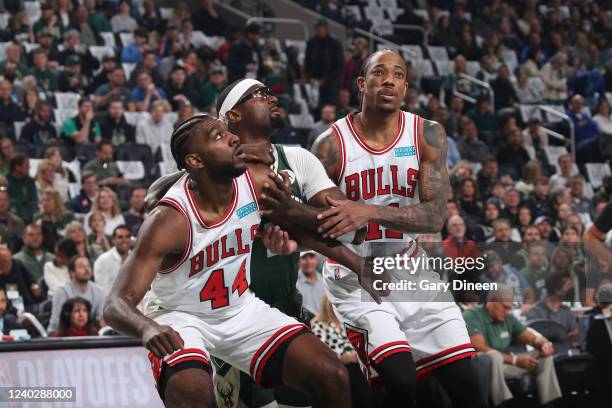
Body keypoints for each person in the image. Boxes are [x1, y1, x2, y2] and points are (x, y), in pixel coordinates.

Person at [104, 114, 355, 408]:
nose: (234, 138)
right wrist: (146, 328)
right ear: (196, 161)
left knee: (332, 375)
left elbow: (300, 230)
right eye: (219, 136)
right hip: (181, 316)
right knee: (194, 395)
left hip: (240, 308)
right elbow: (114, 305)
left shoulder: (257, 180)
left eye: (229, 132)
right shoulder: (170, 219)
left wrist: (356, 264)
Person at [311, 50, 482, 407]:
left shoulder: (427, 134)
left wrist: (368, 211)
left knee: (467, 382)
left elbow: (435, 216)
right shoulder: (330, 146)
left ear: (405, 86)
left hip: (409, 265)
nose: (390, 80)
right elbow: (313, 225)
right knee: (402, 381)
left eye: (399, 74)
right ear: (361, 83)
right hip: (354, 272)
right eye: (379, 73)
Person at [463, 286, 563, 407]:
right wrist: (514, 360)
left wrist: (544, 344)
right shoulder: (471, 315)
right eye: (504, 307)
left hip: (506, 364)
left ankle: (548, 402)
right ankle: (502, 403)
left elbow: (531, 338)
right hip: (481, 366)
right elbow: (478, 347)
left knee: (544, 356)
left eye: (509, 309)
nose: (507, 312)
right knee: (493, 356)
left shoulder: (508, 318)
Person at [311, 296, 371, 408]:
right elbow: (321, 355)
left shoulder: (353, 324)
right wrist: (342, 359)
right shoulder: (319, 325)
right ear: (327, 305)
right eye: (334, 305)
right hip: (334, 369)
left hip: (357, 369)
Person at [48, 256, 104, 334]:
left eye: (88, 266)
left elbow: (100, 320)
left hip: (89, 335)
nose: (87, 269)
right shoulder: (61, 291)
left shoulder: (99, 291)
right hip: (63, 336)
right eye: (81, 267)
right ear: (72, 273)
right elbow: (57, 322)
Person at [526, 272, 580, 341]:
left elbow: (574, 332)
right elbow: (533, 335)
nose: (571, 288)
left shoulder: (567, 311)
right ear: (557, 291)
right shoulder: (535, 311)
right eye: (568, 285)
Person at [304, 18, 344, 109]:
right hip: (314, 82)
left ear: (326, 29)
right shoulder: (311, 43)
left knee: (329, 108)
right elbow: (307, 62)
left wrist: (326, 80)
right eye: (316, 28)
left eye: (319, 28)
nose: (317, 30)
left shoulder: (335, 43)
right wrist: (309, 77)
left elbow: (339, 66)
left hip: (331, 84)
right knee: (315, 108)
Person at [93, 225, 131, 296]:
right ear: (113, 240)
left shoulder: (136, 259)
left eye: (127, 236)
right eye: (120, 237)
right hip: (111, 303)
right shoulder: (103, 260)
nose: (124, 240)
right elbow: (102, 289)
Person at [0, 246, 41, 311]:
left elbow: (30, 278)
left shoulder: (16, 263)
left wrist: (34, 285)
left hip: (27, 301)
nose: (8, 265)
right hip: (8, 307)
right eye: (4, 263)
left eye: (9, 261)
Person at [7, 154, 38, 224]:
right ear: (17, 167)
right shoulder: (6, 181)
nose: (29, 167)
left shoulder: (30, 181)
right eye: (26, 165)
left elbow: (34, 200)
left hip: (28, 215)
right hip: (11, 217)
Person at [296, 250, 325, 316]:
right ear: (298, 261)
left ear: (317, 260)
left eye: (311, 257)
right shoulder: (294, 284)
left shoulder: (325, 282)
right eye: (304, 258)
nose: (308, 262)